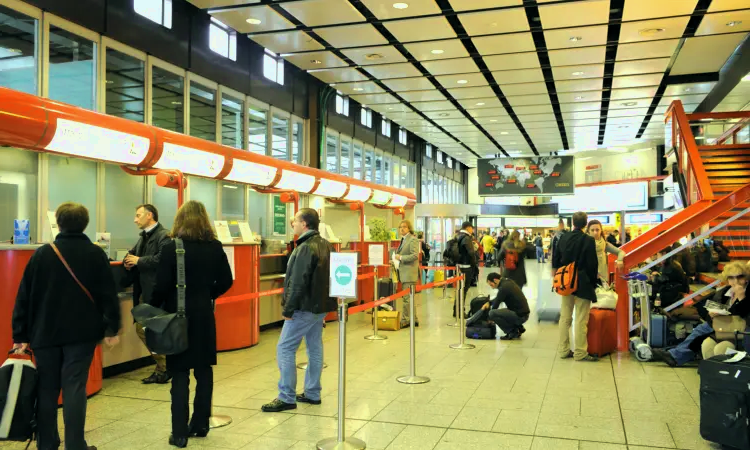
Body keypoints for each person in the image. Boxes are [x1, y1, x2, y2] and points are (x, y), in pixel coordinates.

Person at [12, 202, 122, 450]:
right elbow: (108, 294)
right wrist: (111, 329)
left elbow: (24, 297)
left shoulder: (42, 254)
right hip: (81, 335)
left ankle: (47, 444)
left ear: (58, 223)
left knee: (47, 388)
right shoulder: (95, 254)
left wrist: (20, 334)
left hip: (44, 335)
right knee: (74, 387)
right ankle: (75, 445)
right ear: (85, 224)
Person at [150, 201, 233, 448]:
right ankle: (200, 424)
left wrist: (154, 310)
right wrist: (208, 294)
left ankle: (179, 434)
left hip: (178, 317)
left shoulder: (170, 247)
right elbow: (227, 280)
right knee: (204, 371)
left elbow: (161, 286)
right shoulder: (215, 246)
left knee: (179, 374)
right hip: (205, 316)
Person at [263, 208, 337, 413]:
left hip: (304, 307)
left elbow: (298, 282)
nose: (292, 223)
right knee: (314, 347)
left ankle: (286, 396)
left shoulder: (304, 248)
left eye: (295, 220)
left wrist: (288, 308)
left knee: (285, 348)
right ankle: (312, 392)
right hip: (320, 307)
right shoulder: (326, 245)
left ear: (304, 224)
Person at [653, 262, 750, 366]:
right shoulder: (725, 292)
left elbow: (744, 314)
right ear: (727, 279)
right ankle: (675, 355)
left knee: (702, 335)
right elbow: (714, 309)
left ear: (746, 278)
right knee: (701, 331)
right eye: (731, 278)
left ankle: (675, 355)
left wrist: (741, 298)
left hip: (738, 329)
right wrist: (713, 314)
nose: (735, 281)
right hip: (721, 325)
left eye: (739, 277)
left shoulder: (746, 292)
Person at [123, 204, 172, 384]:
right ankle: (163, 367)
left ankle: (165, 366)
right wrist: (129, 261)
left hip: (156, 293)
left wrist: (139, 260)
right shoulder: (143, 237)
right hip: (145, 292)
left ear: (149, 215)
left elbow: (163, 259)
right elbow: (133, 254)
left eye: (138, 215)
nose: (135, 219)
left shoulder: (164, 236)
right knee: (149, 331)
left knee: (147, 330)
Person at [553, 211, 599, 362]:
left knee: (565, 318)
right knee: (580, 319)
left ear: (573, 223)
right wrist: (593, 284)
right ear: (586, 224)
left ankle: (563, 350)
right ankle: (580, 353)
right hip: (582, 282)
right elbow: (592, 265)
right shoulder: (588, 240)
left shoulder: (563, 238)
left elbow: (556, 260)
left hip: (566, 282)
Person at [482, 273, 530, 340]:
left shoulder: (503, 287)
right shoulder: (507, 282)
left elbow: (496, 305)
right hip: (523, 313)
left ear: (495, 280)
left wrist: (489, 319)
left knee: (492, 313)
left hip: (520, 316)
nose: (492, 287)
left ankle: (511, 331)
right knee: (502, 311)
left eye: (491, 284)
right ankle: (518, 327)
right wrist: (489, 303)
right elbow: (499, 298)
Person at [394, 220, 420, 328]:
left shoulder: (413, 240)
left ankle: (405, 320)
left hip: (409, 273)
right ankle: (414, 319)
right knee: (409, 298)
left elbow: (415, 255)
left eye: (404, 227)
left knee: (406, 299)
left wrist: (401, 258)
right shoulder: (403, 240)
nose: (402, 229)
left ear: (409, 228)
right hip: (404, 273)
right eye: (400, 227)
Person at [455, 222, 478, 318]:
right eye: (472, 228)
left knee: (460, 289)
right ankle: (460, 311)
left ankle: (456, 310)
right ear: (468, 228)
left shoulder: (458, 236)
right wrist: (474, 265)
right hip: (466, 267)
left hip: (459, 266)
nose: (472, 230)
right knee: (463, 290)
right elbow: (471, 253)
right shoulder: (467, 238)